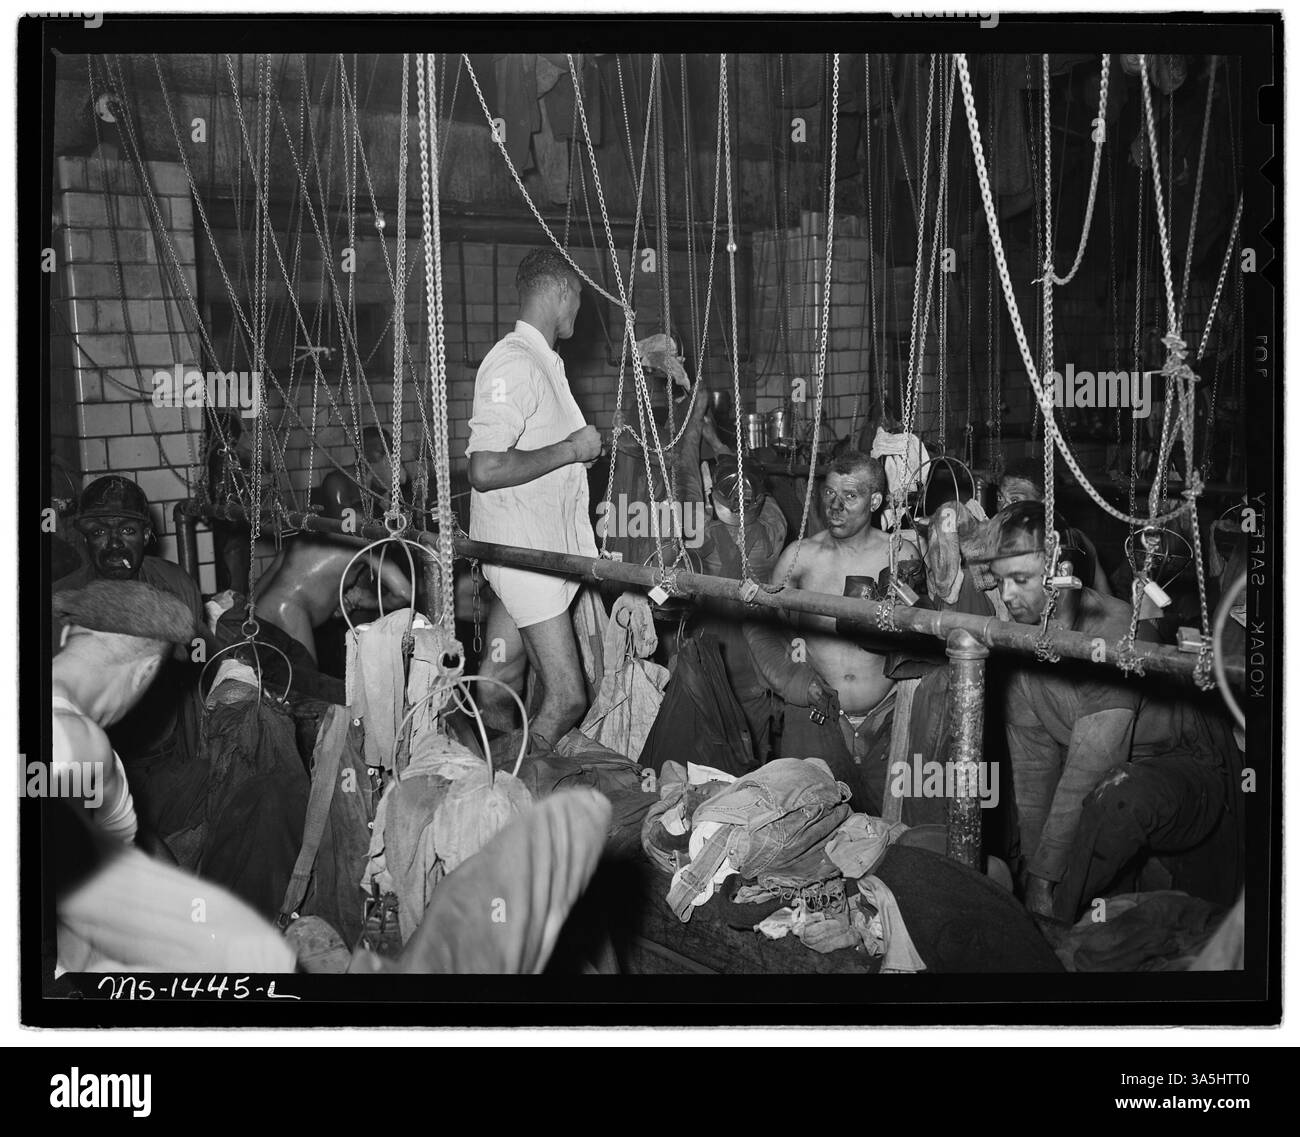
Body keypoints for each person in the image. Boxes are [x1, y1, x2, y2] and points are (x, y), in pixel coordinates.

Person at [981, 501, 1238, 922]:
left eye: (1020, 580)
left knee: (1113, 798)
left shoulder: (1114, 630)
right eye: (999, 581)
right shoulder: (1024, 641)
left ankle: (1057, 932)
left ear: (1059, 569)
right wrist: (1032, 869)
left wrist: (1046, 885)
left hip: (1181, 767)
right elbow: (1032, 767)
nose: (1006, 596)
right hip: (1104, 773)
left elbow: (1093, 764)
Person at [465, 248, 603, 755]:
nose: (578, 312)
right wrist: (571, 449)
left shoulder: (543, 362)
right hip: (527, 556)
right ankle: (512, 782)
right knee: (568, 697)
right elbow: (485, 468)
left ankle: (491, 749)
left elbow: (526, 453)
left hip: (524, 550)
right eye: (579, 299)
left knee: (499, 677)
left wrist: (572, 460)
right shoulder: (515, 363)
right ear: (562, 291)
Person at [744, 452, 920, 810]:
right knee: (812, 821)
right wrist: (794, 680)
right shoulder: (801, 557)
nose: (835, 506)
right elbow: (763, 629)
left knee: (892, 826)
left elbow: (923, 635)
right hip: (822, 717)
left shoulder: (899, 552)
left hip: (887, 717)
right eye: (829, 494)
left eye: (850, 496)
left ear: (874, 501)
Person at [52, 476, 207, 834]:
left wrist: (199, 753)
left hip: (166, 759)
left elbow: (195, 680)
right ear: (86, 538)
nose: (114, 544)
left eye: (127, 531)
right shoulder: (63, 599)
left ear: (147, 536)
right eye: (100, 532)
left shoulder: (174, 587)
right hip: (100, 764)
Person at [212, 535, 414, 704]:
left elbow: (265, 584)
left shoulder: (309, 533)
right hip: (291, 613)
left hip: (260, 611)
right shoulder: (367, 546)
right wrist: (361, 599)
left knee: (270, 684)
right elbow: (404, 593)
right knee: (311, 694)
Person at [996, 459, 1112, 596]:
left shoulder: (1066, 544)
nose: (1003, 508)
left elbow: (1107, 601)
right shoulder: (1004, 540)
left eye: (1015, 500)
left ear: (1044, 503)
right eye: (1000, 498)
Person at [318, 425, 413, 523]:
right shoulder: (337, 481)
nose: (387, 457)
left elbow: (404, 516)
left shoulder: (380, 480)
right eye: (381, 452)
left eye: (389, 452)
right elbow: (341, 523)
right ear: (362, 454)